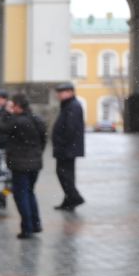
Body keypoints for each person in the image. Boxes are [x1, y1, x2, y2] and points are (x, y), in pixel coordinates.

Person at [3, 93, 48, 238]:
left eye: (13, 105)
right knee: (29, 193)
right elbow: (43, 140)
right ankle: (35, 224)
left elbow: (0, 127)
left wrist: (6, 112)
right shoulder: (37, 119)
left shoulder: (17, 121)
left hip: (20, 164)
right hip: (35, 163)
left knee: (21, 195)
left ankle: (27, 228)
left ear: (17, 106)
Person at [51, 83, 86, 211]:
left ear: (71, 92)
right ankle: (69, 200)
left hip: (67, 148)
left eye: (62, 92)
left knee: (64, 174)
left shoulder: (73, 106)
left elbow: (70, 129)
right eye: (59, 92)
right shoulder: (69, 105)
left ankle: (74, 197)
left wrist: (62, 143)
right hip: (67, 148)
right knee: (66, 175)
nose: (59, 94)